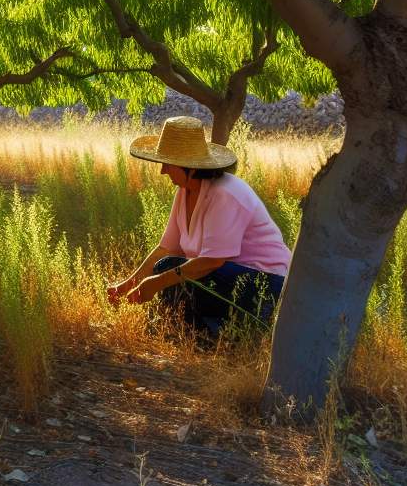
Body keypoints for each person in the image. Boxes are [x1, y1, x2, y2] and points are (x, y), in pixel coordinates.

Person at [106, 116, 291, 341]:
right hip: (227, 279)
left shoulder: (225, 194)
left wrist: (156, 283)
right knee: (168, 265)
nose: (163, 171)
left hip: (265, 285)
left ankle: (198, 334)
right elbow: (166, 249)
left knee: (169, 269)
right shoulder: (186, 190)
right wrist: (125, 287)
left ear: (190, 168)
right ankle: (191, 333)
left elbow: (212, 261)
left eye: (168, 164)